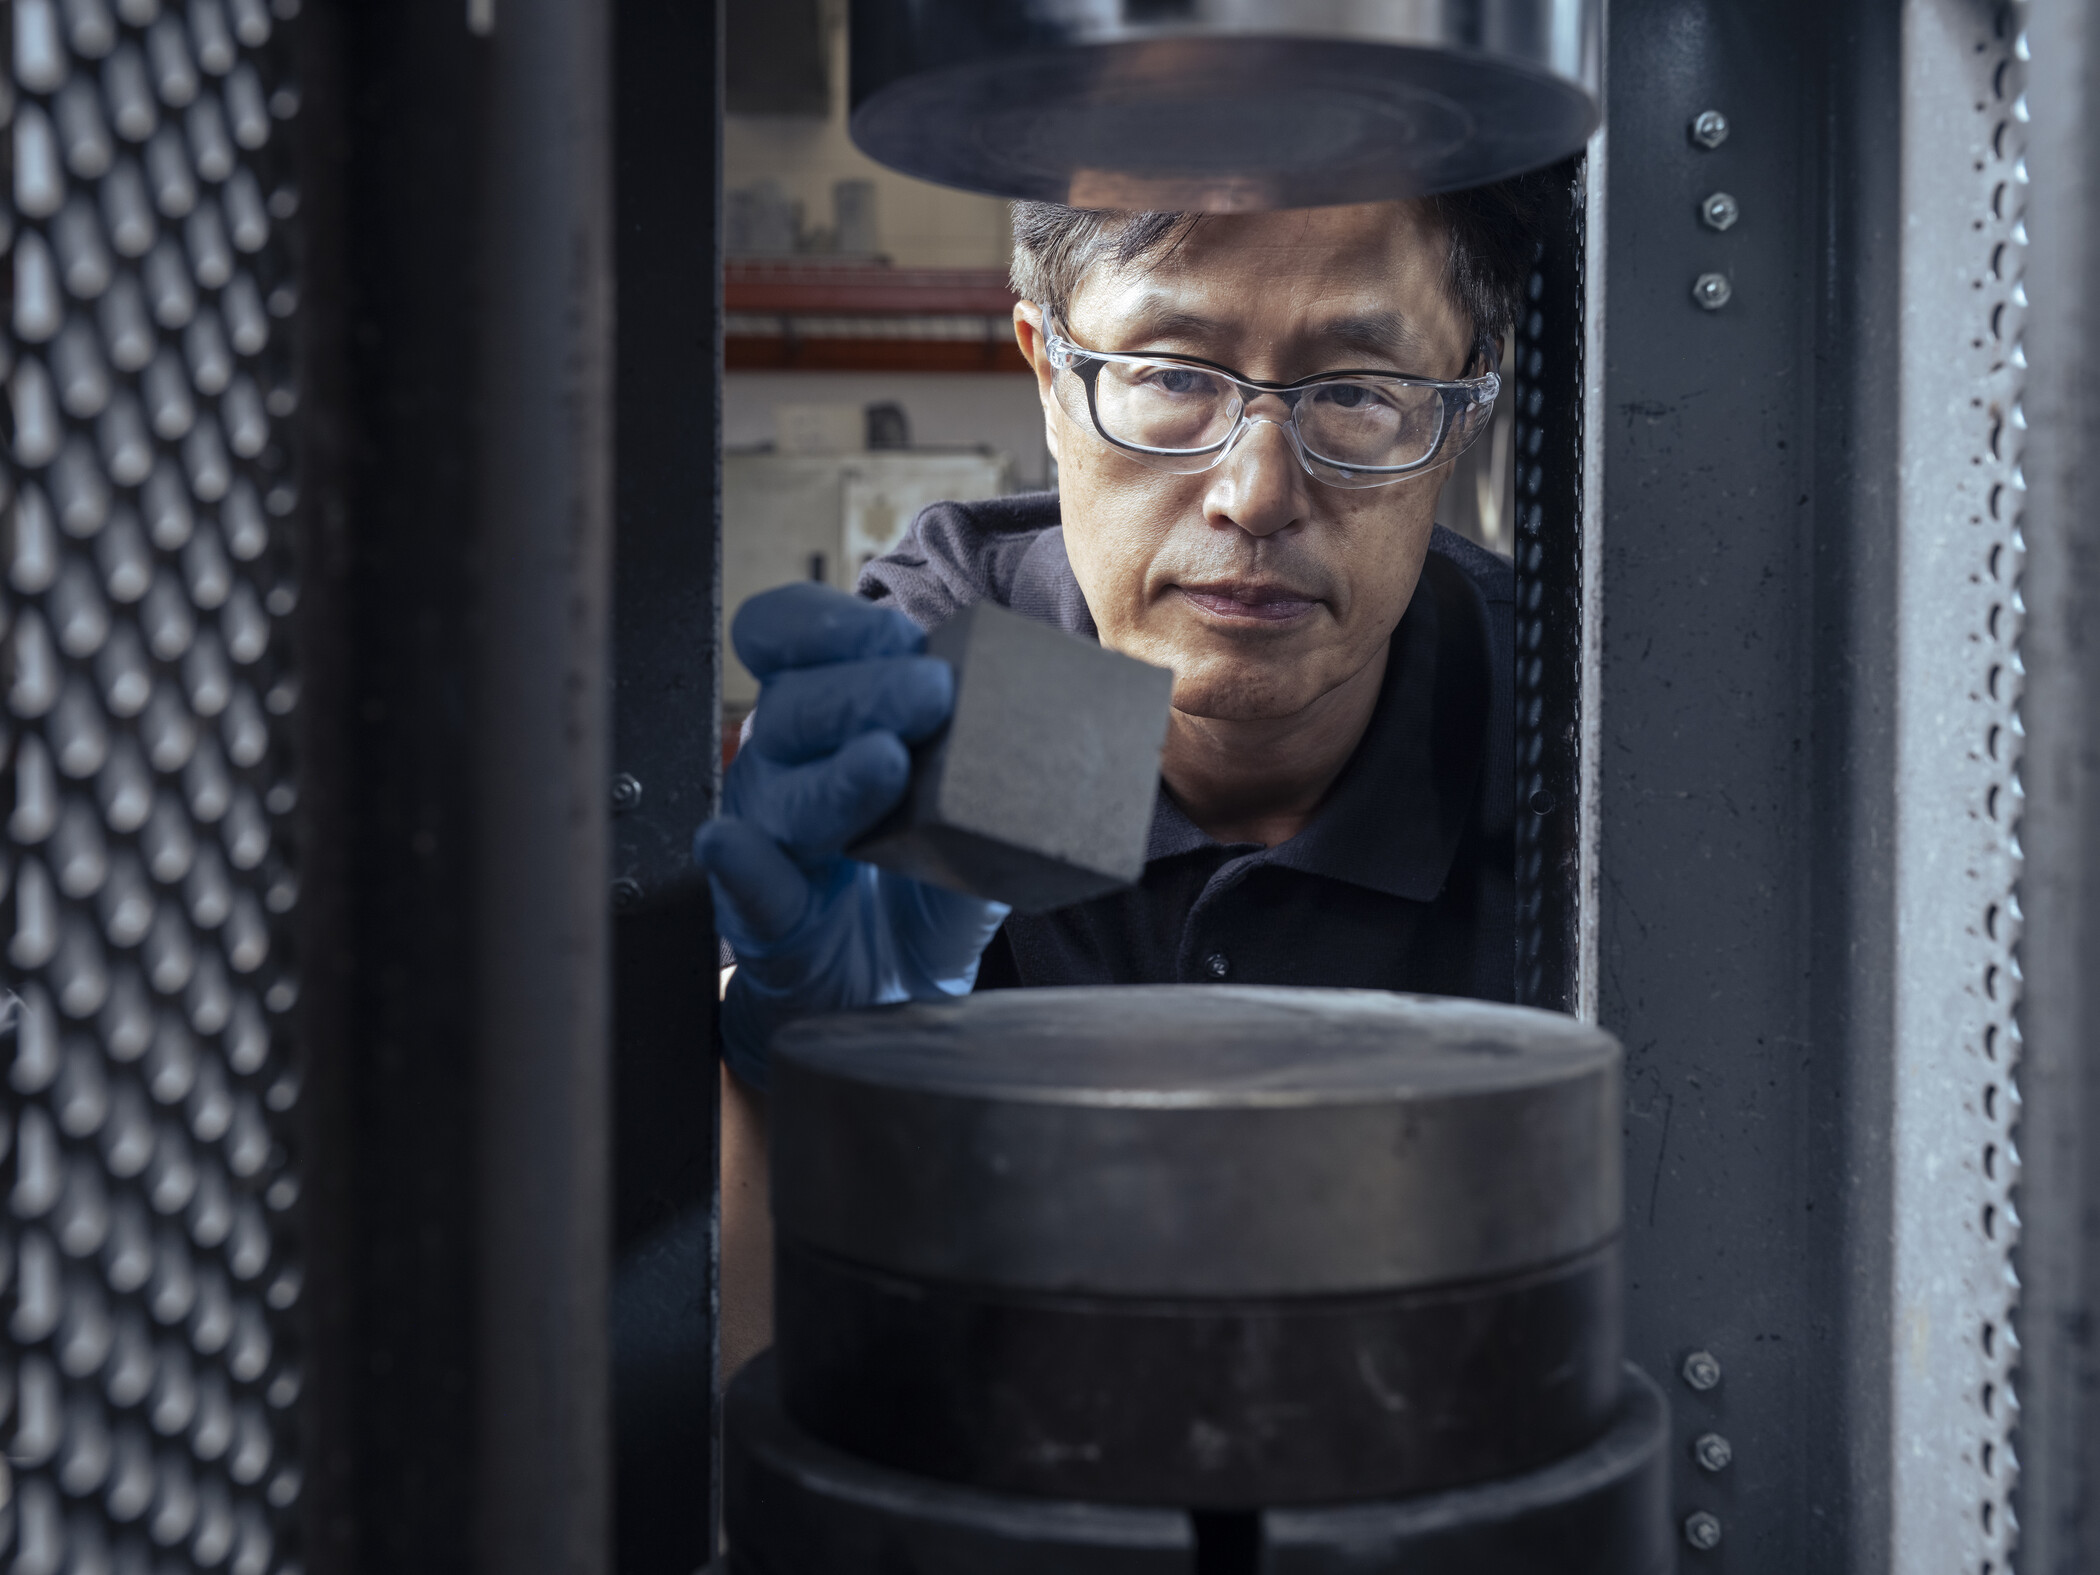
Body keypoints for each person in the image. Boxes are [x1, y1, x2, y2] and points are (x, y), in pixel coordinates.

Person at [697, 188, 1537, 1367]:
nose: (1254, 496)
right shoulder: (949, 690)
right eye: (1173, 374)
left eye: (1354, 392)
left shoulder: (1559, 740)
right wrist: (779, 1068)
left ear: (1463, 404)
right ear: (1048, 371)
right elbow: (736, 1435)